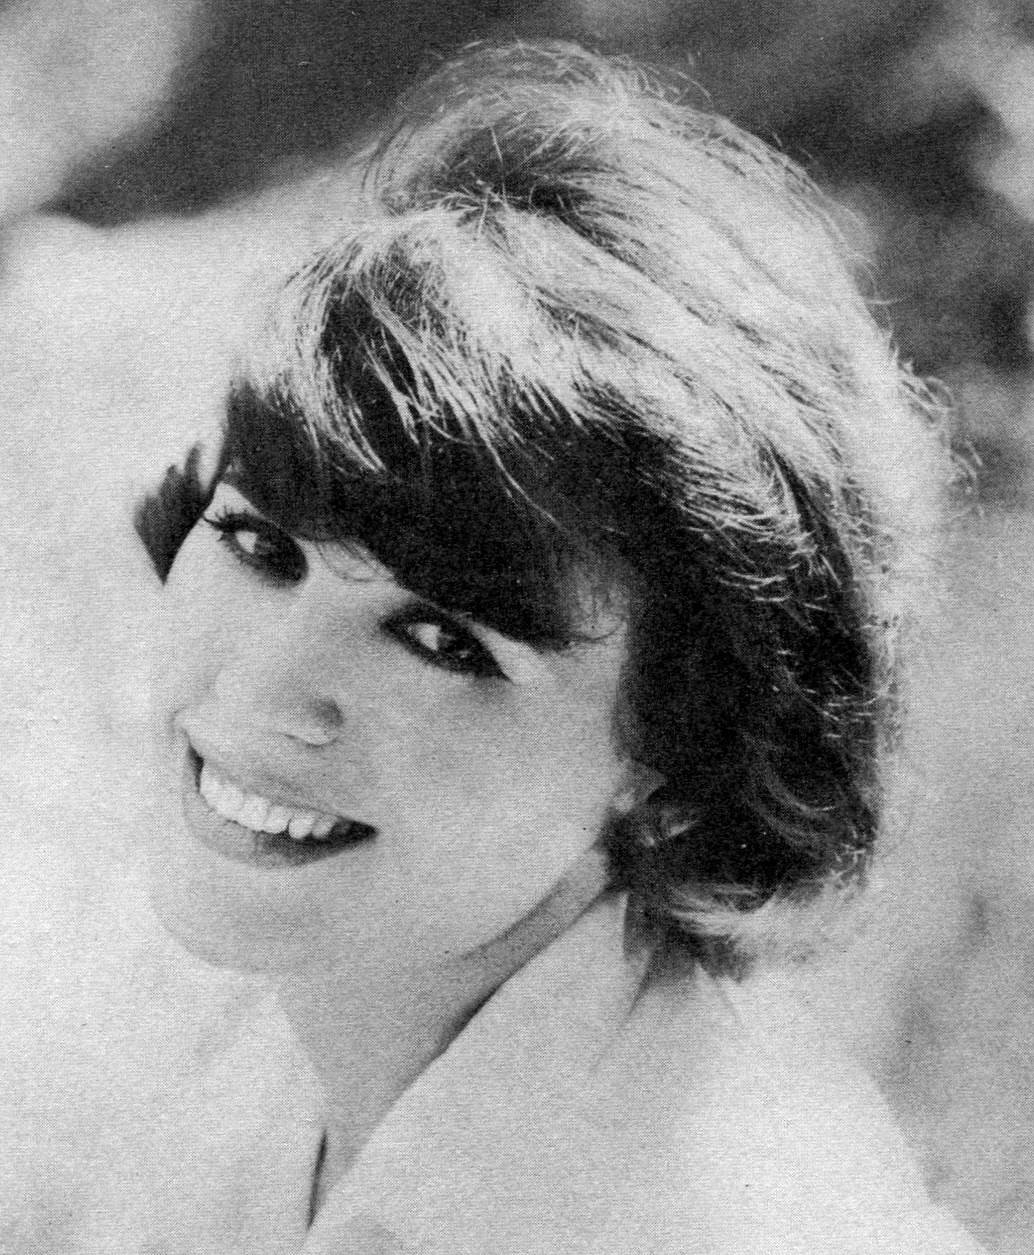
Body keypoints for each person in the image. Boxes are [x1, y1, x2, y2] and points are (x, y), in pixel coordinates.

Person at [0, 39, 985, 1255]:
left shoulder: (738, 1217)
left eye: (440, 639)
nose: (267, 683)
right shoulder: (273, 1032)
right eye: (259, 545)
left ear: (676, 753)